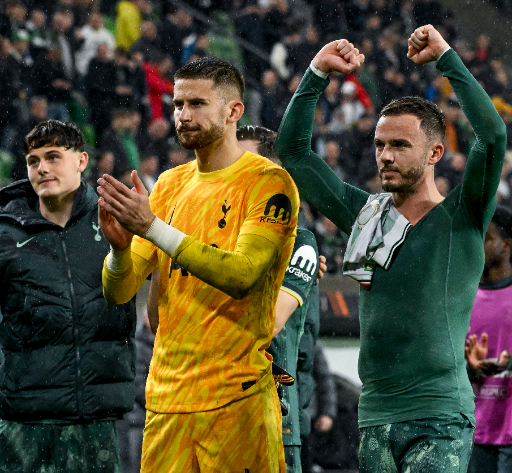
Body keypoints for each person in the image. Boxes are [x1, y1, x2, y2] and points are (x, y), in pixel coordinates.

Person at [275, 25, 507, 472]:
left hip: (438, 415)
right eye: (380, 145)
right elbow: (294, 152)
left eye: (400, 145)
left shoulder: (463, 214)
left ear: (436, 152)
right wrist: (316, 72)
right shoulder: (364, 213)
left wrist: (447, 60)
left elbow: (493, 136)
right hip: (375, 416)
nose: (385, 155)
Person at [98, 57, 299, 472]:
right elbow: (118, 291)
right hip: (166, 402)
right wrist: (119, 250)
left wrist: (152, 228)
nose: (183, 115)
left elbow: (242, 274)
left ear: (233, 112)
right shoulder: (169, 184)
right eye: (177, 105)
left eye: (196, 104)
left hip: (235, 398)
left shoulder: (268, 182)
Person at [0, 120, 136, 473]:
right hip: (25, 430)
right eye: (34, 161)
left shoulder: (117, 224)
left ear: (81, 160)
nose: (42, 168)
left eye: (53, 157)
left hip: (98, 425)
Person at [237, 124, 321, 473]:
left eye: (244, 165)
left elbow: (269, 324)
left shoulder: (298, 242)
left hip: (275, 417)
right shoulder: (208, 234)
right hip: (210, 417)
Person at [465, 205, 512, 473]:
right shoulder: (463, 295)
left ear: (506, 246)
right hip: (475, 431)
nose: (477, 244)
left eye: (486, 238)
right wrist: (470, 365)